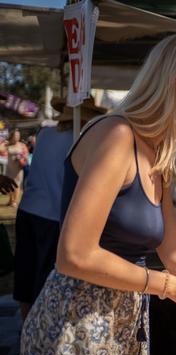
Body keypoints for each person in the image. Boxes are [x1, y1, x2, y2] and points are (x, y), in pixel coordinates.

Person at [20, 33, 176, 355]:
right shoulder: (117, 135)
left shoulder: (157, 156)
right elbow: (74, 255)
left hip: (124, 323)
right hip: (78, 325)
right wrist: (168, 286)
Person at [12, 97, 106, 321]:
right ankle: (40, 330)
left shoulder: (45, 134)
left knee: (26, 273)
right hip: (54, 215)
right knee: (46, 279)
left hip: (29, 209)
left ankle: (26, 331)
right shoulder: (80, 138)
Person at [4, 129, 29, 207]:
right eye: (15, 135)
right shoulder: (7, 144)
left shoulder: (22, 145)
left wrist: (22, 158)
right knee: (8, 185)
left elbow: (27, 155)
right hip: (9, 168)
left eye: (18, 135)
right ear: (12, 136)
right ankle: (10, 200)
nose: (17, 137)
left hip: (18, 168)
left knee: (17, 185)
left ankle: (15, 201)